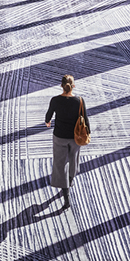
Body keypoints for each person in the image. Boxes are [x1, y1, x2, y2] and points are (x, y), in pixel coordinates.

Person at [44, 75, 90, 208]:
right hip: (75, 137)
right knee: (73, 159)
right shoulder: (79, 101)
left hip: (59, 136)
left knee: (60, 164)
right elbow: (85, 119)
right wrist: (88, 133)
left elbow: (48, 116)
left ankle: (66, 197)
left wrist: (48, 122)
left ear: (61, 86)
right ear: (73, 86)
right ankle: (70, 180)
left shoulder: (55, 100)